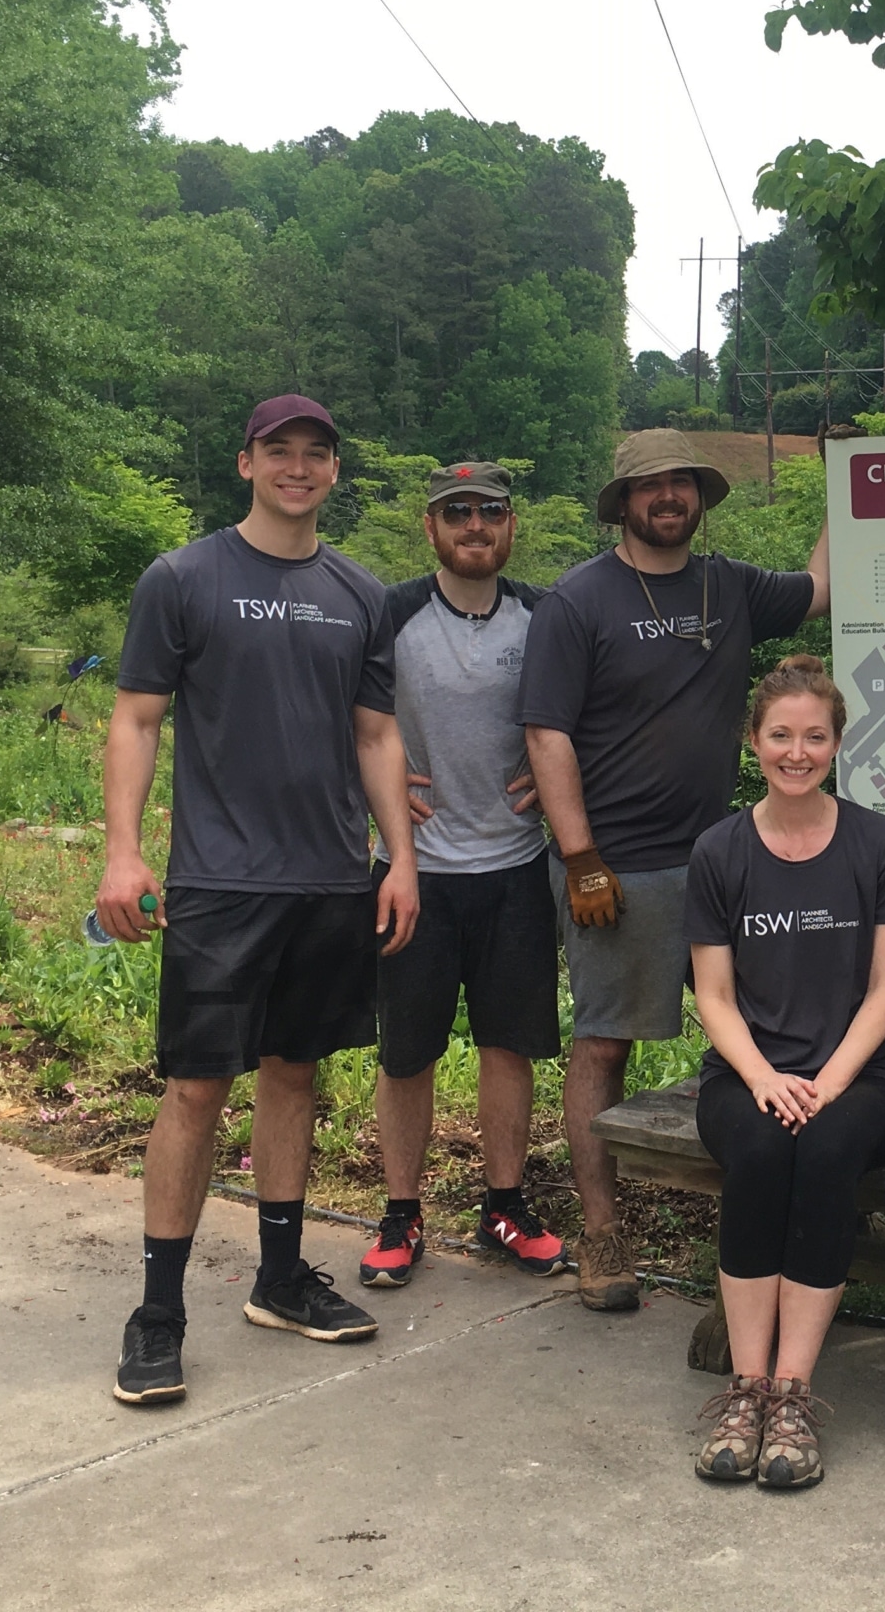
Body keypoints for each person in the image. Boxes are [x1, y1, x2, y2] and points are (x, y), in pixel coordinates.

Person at [94, 393, 422, 1407]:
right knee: (197, 1090)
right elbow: (137, 718)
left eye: (315, 453)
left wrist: (399, 860)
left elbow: (376, 737)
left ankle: (280, 1277)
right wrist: (122, 853)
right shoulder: (184, 578)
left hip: (328, 879)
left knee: (295, 1078)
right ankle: (158, 1313)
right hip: (220, 882)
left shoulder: (362, 593)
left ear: (333, 471)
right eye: (278, 451)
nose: (297, 467)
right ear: (245, 462)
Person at [519, 428, 829, 1312]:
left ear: (700, 497)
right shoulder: (578, 601)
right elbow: (546, 733)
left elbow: (822, 590)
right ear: (621, 502)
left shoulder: (727, 585)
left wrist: (845, 480)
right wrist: (579, 857)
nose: (667, 498)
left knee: (764, 1033)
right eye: (649, 487)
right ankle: (603, 1229)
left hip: (730, 859)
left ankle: (763, 1221)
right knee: (606, 1040)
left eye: (681, 485)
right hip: (619, 865)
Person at [683, 655, 885, 1490]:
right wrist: (764, 1079)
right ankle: (745, 1390)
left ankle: (792, 1395)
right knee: (759, 1154)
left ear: (837, 744)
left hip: (855, 1076)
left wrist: (828, 1080)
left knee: (820, 1157)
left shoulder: (879, 843)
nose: (796, 751)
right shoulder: (720, 850)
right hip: (746, 1073)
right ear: (754, 743)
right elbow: (713, 995)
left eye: (814, 736)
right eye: (780, 735)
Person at [355, 462, 568, 1291]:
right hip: (413, 872)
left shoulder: (544, 617)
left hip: (516, 868)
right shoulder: (391, 613)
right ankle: (400, 1214)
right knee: (406, 1054)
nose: (474, 525)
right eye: (457, 512)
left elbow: (586, 717)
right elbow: (340, 711)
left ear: (512, 524)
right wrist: (364, 787)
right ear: (431, 526)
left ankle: (504, 1206)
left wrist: (557, 791)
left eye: (490, 511)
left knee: (507, 1046)